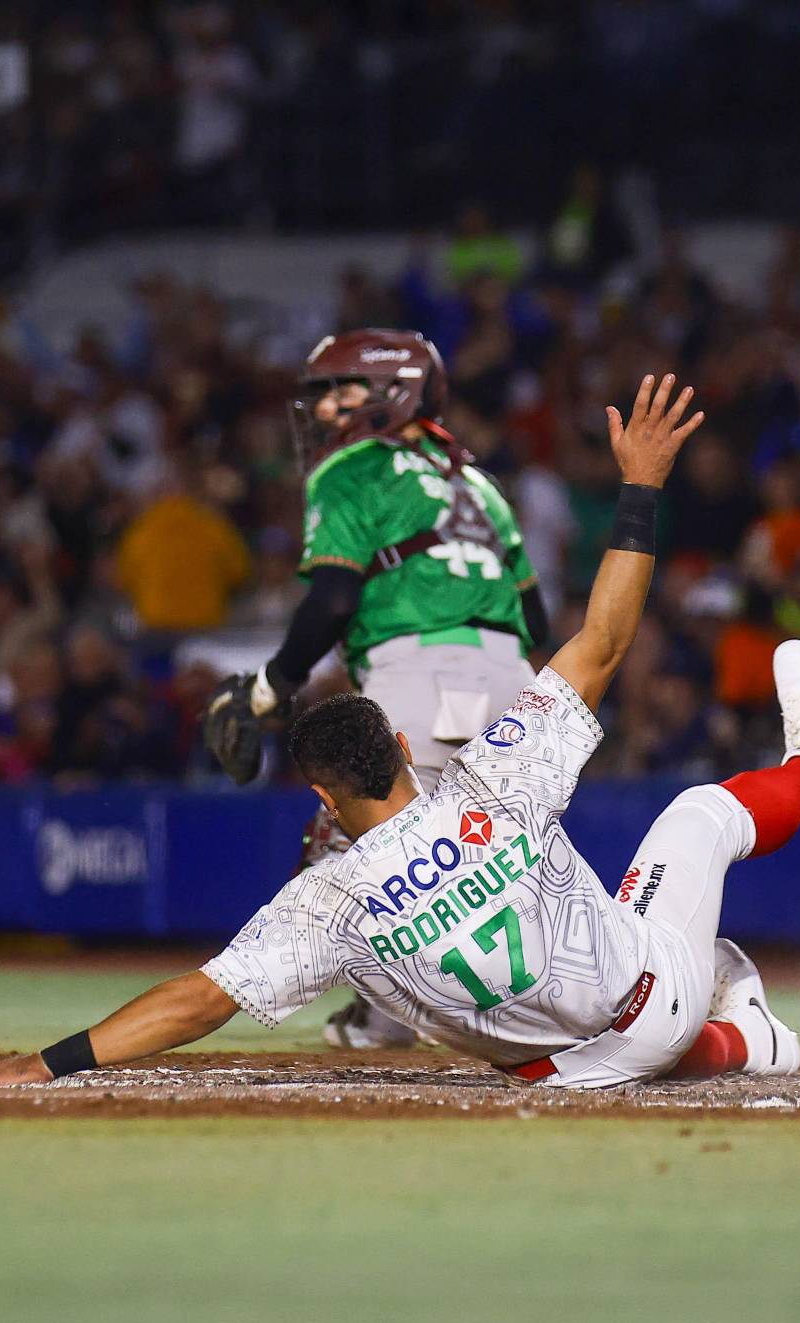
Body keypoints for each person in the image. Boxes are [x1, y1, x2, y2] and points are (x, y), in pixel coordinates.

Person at [0, 373, 800, 1092]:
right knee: (702, 813)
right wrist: (640, 488)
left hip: (569, 1075)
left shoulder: (329, 904)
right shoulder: (493, 781)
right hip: (649, 995)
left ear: (321, 795)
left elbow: (196, 1000)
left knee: (619, 1037)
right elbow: (604, 640)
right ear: (399, 742)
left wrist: (45, 1062)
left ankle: (742, 1041)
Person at [202, 327, 547, 1048]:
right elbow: (536, 613)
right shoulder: (480, 483)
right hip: (514, 678)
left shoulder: (352, 470)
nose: (327, 408)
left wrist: (272, 686)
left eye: (343, 389)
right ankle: (553, 1011)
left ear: (397, 393)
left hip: (414, 672)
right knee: (503, 860)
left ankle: (353, 1007)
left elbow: (332, 599)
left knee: (359, 847)